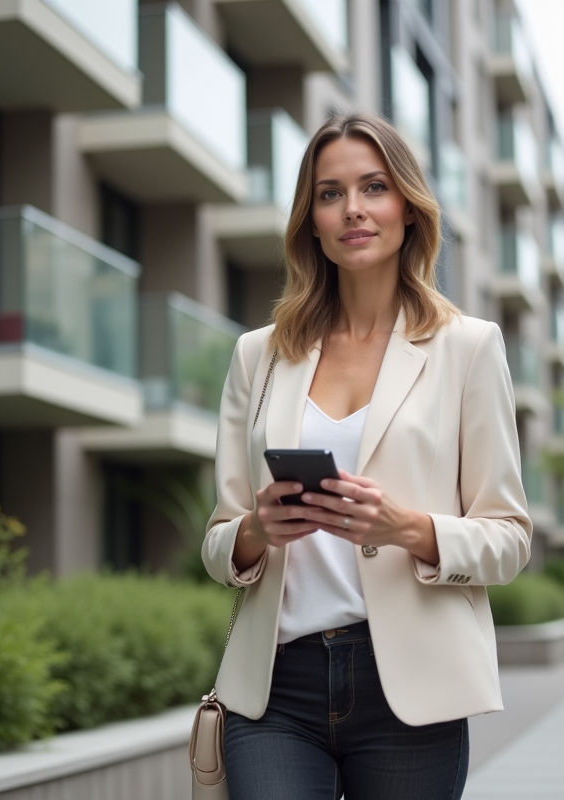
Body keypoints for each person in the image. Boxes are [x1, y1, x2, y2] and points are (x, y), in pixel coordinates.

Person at [202, 111, 532, 800]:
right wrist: (256, 532)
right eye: (330, 193)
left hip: (410, 687)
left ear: (407, 209)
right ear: (311, 221)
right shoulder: (258, 356)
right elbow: (218, 542)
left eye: (373, 187)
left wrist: (406, 528)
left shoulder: (468, 348)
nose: (352, 208)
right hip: (276, 690)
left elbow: (509, 540)